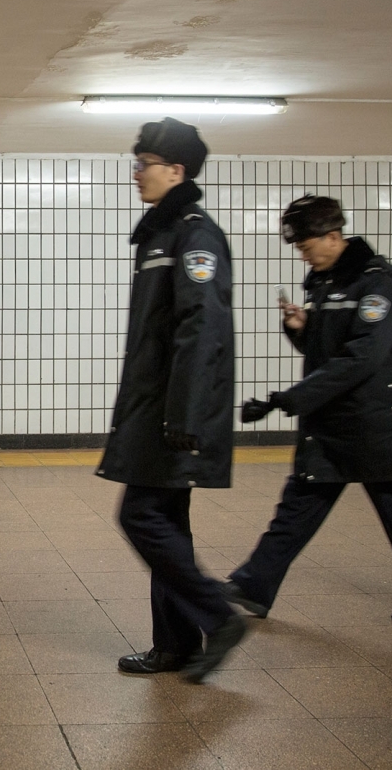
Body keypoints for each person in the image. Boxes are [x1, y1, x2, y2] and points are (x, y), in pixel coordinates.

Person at [230, 195, 392, 623]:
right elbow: (329, 348)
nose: (303, 255)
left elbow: (363, 356)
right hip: (328, 419)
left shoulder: (379, 282)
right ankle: (254, 585)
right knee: (298, 504)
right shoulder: (324, 282)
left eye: (306, 246)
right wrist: (302, 328)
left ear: (333, 236)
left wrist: (288, 398)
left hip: (371, 421)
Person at [96, 117, 246, 683]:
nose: (136, 174)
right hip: (156, 405)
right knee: (165, 522)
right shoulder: (161, 234)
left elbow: (201, 327)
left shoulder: (194, 235)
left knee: (140, 516)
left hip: (172, 412)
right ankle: (175, 646)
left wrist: (184, 413)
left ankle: (219, 616)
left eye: (145, 164)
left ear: (176, 170)